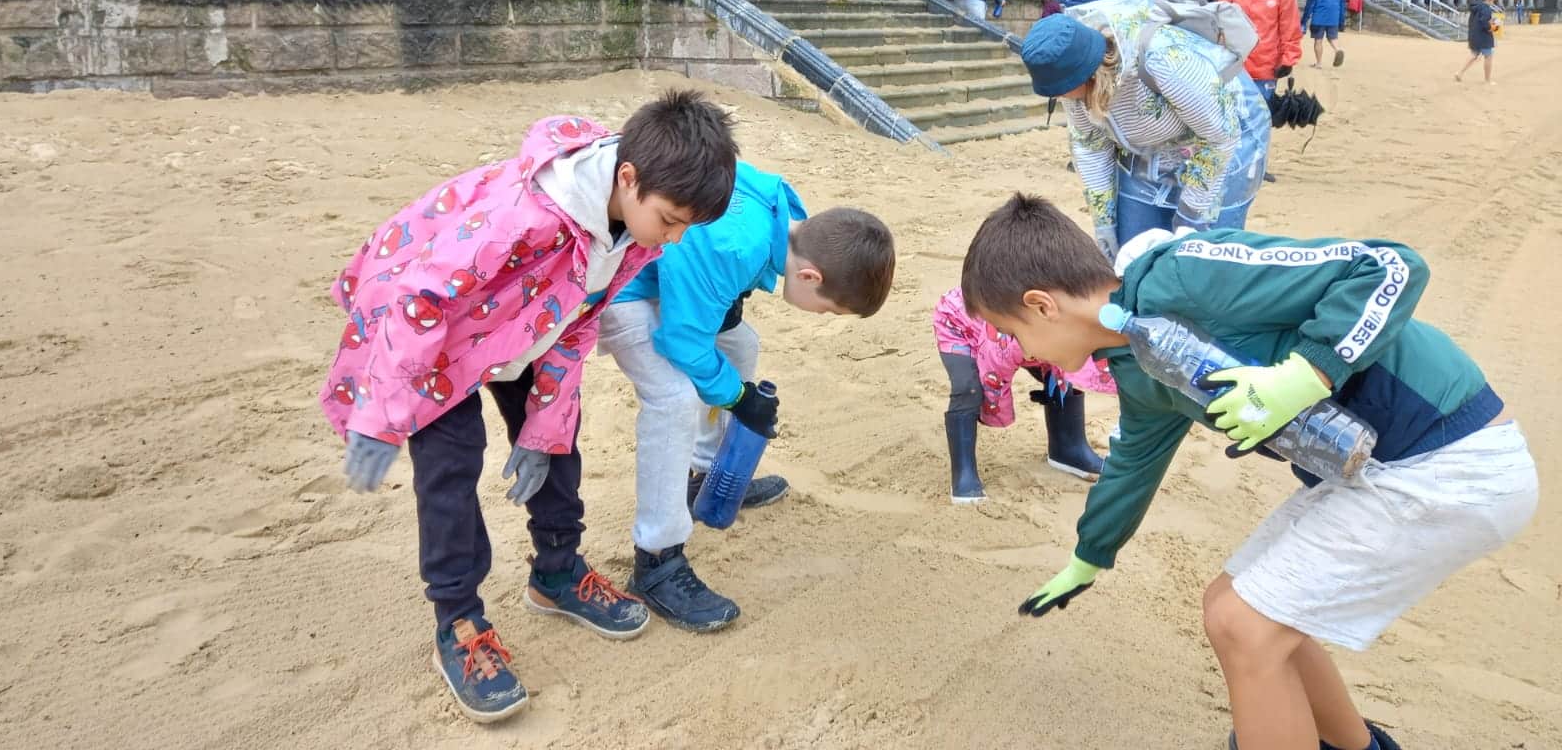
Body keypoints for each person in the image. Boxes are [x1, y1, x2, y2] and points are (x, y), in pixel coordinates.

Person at [964, 195, 1537, 750]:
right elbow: (1136, 459)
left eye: (1013, 334)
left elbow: (1389, 266)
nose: (1024, 354)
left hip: (1452, 458)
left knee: (1247, 626)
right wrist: (1090, 554)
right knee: (1230, 602)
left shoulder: (1182, 274)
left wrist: (1306, 374)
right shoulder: (1135, 366)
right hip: (1374, 469)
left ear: (1042, 304)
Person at [323, 91, 739, 725]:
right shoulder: (523, 216)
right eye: (673, 219)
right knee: (452, 469)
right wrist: (384, 413)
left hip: (527, 325)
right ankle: (458, 620)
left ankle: (557, 573)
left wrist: (543, 426)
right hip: (436, 338)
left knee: (557, 443)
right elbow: (420, 300)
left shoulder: (635, 226)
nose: (676, 238)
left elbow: (580, 320)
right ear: (628, 178)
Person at [597, 174, 895, 630]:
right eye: (830, 309)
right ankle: (657, 560)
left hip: (668, 272)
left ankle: (709, 476)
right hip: (622, 288)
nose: (823, 317)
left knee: (741, 346)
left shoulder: (783, 213)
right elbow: (682, 342)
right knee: (673, 399)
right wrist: (738, 397)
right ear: (811, 276)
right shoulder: (735, 247)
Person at [1017, 0, 1270, 264]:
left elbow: (1220, 137)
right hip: (1147, 141)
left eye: (1061, 91)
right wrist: (1104, 224)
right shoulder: (1070, 84)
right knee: (1134, 253)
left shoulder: (1166, 59)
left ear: (1088, 75)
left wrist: (1190, 217)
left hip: (1223, 134)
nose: (1059, 98)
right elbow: (1090, 145)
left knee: (1202, 257)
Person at [934, 284, 1114, 501]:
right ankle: (964, 472)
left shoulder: (1072, 324)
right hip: (961, 326)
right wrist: (994, 410)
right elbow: (994, 371)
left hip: (1038, 332)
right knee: (968, 389)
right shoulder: (1007, 341)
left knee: (1064, 374)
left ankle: (1068, 448)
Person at [1220, 0, 1302, 182]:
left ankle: (1258, 166)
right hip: (1234, 65)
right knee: (1230, 116)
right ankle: (1229, 163)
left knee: (1259, 118)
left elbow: (1290, 29)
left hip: (1265, 67)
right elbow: (1218, 20)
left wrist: (1288, 59)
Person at [1300, 0, 1348, 68]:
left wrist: (1304, 20)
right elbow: (1342, 6)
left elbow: (1310, 5)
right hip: (1333, 17)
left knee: (1318, 40)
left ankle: (1319, 63)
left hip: (1319, 17)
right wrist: (1341, 22)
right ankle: (1338, 49)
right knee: (1332, 38)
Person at [1455, 0, 1501, 84]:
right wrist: (1491, 27)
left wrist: (1490, 21)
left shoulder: (1476, 5)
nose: (1493, 3)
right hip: (1483, 37)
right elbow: (1484, 22)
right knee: (1488, 57)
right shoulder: (1486, 9)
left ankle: (1459, 73)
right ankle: (1487, 80)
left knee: (1474, 55)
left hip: (1474, 34)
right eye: (1493, 0)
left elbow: (1479, 19)